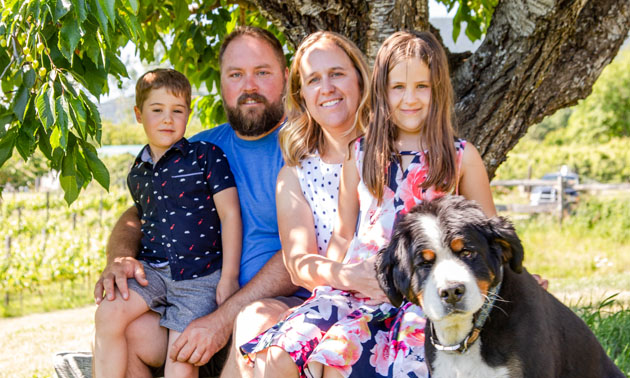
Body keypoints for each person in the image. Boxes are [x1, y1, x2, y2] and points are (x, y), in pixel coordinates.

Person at [241, 30, 497, 378]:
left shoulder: (460, 157)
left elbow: (489, 237)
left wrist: (518, 279)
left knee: (360, 367)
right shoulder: (360, 154)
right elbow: (344, 236)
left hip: (423, 294)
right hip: (359, 287)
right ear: (381, 91)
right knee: (280, 353)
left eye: (422, 86)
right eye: (398, 87)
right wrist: (325, 293)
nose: (410, 99)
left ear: (438, 90)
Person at [93, 26, 303, 377]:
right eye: (236, 75)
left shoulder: (304, 148)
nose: (248, 86)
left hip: (269, 313)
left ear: (284, 77)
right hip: (193, 305)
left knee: (253, 324)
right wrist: (121, 257)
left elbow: (301, 252)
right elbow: (139, 212)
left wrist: (223, 318)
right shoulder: (198, 149)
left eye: (262, 73)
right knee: (121, 326)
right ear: (221, 83)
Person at [93, 68, 242, 378]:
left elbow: (230, 215)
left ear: (189, 113)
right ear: (138, 113)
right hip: (153, 273)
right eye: (157, 110)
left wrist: (228, 278)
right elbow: (142, 219)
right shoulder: (138, 170)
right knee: (109, 312)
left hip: (199, 278)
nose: (167, 119)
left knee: (180, 359)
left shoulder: (206, 156)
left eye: (177, 111)